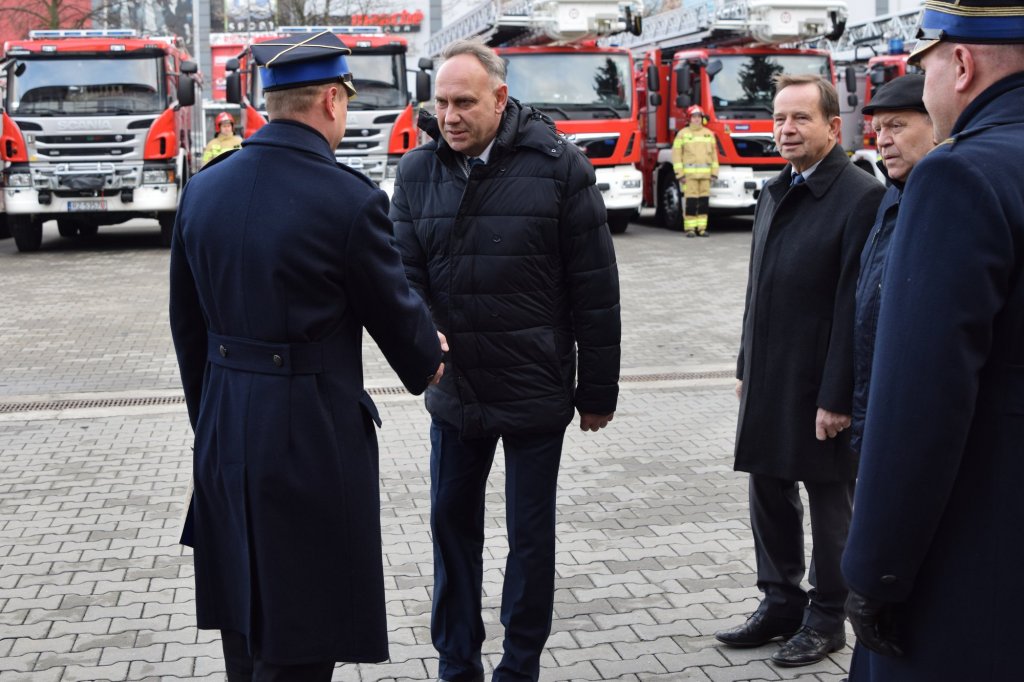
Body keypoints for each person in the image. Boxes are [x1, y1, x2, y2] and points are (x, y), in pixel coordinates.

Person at [169, 31, 445, 681]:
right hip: (307, 442)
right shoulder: (347, 200)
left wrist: (213, 418)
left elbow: (187, 329)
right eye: (345, 100)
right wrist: (430, 352)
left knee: (243, 623)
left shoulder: (204, 189)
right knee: (301, 635)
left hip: (224, 433)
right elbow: (406, 336)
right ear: (329, 99)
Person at [389, 38, 621, 682]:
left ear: (500, 98)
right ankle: (455, 663)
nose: (450, 115)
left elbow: (595, 289)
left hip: (534, 386)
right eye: (440, 102)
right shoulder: (415, 173)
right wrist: (424, 340)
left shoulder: (559, 168)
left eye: (464, 102)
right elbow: (404, 280)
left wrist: (597, 392)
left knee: (529, 540)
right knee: (451, 533)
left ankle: (519, 666)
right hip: (456, 393)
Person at [841, 1, 1024, 679]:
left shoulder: (960, 175)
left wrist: (875, 572)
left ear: (962, 64)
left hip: (979, 558)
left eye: (924, 67)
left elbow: (920, 401)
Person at [716, 74, 884, 667]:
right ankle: (780, 600)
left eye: (800, 119)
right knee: (768, 486)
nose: (785, 130)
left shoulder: (861, 196)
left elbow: (854, 305)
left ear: (833, 127)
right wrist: (745, 364)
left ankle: (826, 616)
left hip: (820, 384)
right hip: (770, 373)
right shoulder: (774, 189)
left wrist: (838, 395)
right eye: (779, 119)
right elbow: (757, 289)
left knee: (829, 500)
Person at [850, 74, 935, 453]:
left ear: (937, 124)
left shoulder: (946, 201)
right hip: (876, 407)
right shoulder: (890, 197)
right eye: (878, 128)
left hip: (916, 418)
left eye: (897, 126)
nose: (883, 139)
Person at [671, 105, 719, 237]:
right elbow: (676, 156)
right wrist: (680, 174)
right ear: (689, 119)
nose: (697, 119)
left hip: (705, 176)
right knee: (691, 202)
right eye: (694, 117)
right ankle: (690, 228)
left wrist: (714, 172)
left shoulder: (708, 134)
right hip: (689, 176)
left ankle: (702, 228)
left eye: (699, 117)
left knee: (703, 202)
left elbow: (714, 155)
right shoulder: (682, 134)